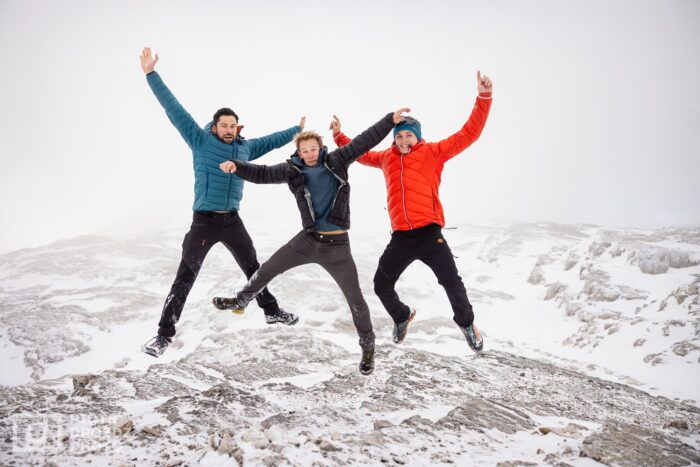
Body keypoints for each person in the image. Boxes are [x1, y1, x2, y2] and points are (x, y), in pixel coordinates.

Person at [211, 108, 409, 375]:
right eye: (304, 151)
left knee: (355, 299)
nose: (309, 154)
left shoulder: (337, 160)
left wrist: (389, 121)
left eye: (313, 149)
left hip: (337, 247)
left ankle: (368, 347)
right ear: (299, 153)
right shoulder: (293, 171)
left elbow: (364, 140)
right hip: (308, 240)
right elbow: (263, 173)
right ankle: (241, 301)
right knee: (268, 269)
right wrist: (238, 167)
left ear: (321, 148)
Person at [139, 47, 303, 357]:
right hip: (203, 221)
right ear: (215, 127)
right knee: (185, 276)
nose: (228, 130)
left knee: (255, 267)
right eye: (224, 125)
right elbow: (173, 109)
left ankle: (271, 311)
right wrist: (151, 74)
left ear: (237, 128)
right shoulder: (200, 140)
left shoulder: (245, 148)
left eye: (233, 126)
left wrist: (296, 131)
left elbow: (270, 141)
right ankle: (163, 335)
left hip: (232, 221)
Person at [331, 71, 493, 353]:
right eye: (400, 135)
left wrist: (484, 97)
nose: (405, 140)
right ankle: (402, 315)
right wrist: (337, 135)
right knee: (381, 284)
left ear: (418, 137)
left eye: (409, 135)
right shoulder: (386, 158)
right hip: (402, 238)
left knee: (451, 282)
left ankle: (467, 324)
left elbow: (470, 133)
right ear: (394, 138)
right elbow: (357, 151)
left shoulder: (433, 152)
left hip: (430, 233)